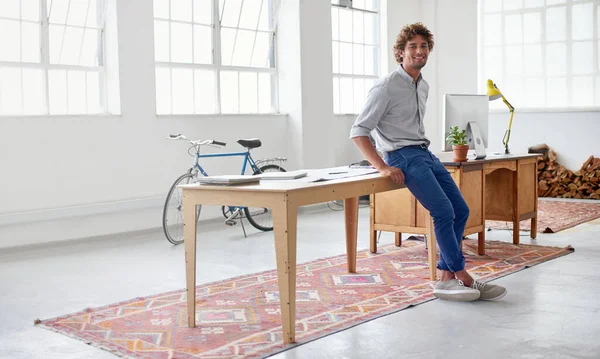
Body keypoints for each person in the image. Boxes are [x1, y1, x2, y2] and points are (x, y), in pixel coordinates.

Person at [349, 22, 506, 302]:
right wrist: (383, 167)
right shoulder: (386, 87)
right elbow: (358, 131)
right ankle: (464, 276)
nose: (419, 51)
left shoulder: (423, 85)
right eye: (413, 47)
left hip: (424, 153)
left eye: (424, 46)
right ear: (400, 53)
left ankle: (446, 279)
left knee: (461, 209)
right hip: (402, 156)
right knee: (444, 211)